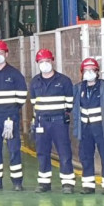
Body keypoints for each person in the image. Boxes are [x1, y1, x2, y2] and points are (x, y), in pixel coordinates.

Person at [0, 40, 28, 190]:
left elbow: (22, 96)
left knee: (14, 149)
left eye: (1, 53)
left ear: (6, 54)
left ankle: (17, 182)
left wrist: (12, 112)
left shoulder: (15, 74)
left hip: (10, 117)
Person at [29, 49, 76, 193]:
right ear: (38, 63)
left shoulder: (63, 81)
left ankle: (67, 183)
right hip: (41, 122)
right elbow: (33, 103)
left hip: (59, 122)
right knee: (42, 152)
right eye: (41, 62)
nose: (44, 64)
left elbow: (70, 103)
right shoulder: (34, 82)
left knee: (64, 151)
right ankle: (44, 183)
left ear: (52, 61)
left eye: (47, 61)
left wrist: (61, 114)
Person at [74, 57, 104, 194]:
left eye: (92, 70)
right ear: (82, 72)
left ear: (97, 71)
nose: (89, 72)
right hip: (85, 129)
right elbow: (74, 106)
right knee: (85, 156)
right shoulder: (77, 88)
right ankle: (88, 185)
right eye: (86, 70)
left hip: (102, 128)